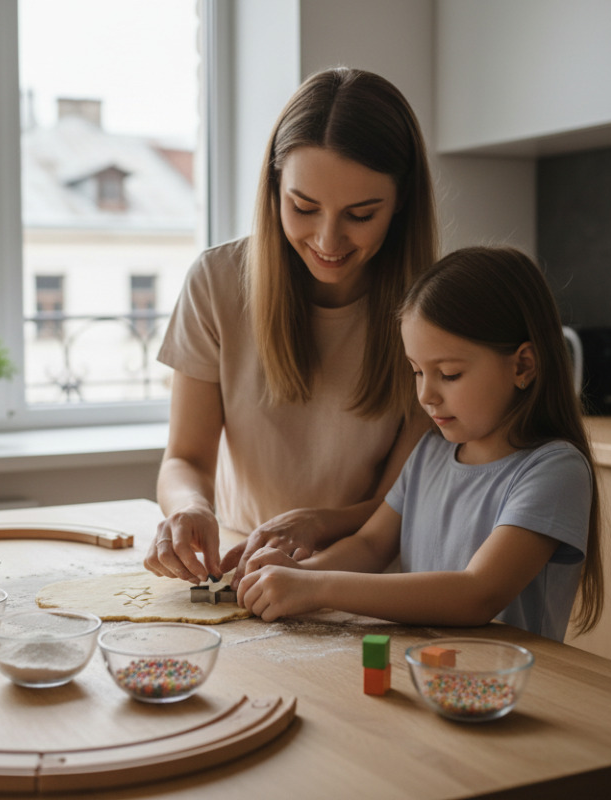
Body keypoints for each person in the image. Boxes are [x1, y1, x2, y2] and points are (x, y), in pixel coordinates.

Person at [145, 67, 438, 585]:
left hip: (367, 582)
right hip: (236, 569)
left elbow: (395, 505)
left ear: (402, 203)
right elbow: (185, 458)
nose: (329, 240)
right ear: (275, 188)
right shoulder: (216, 282)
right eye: (303, 207)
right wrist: (189, 508)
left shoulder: (432, 307)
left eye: (361, 215)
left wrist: (318, 530)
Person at [235, 246, 604, 641]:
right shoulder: (430, 452)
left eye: (448, 373)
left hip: (507, 690)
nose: (426, 395)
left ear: (522, 366)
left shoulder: (554, 470)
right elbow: (371, 544)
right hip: (424, 670)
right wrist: (299, 574)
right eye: (416, 371)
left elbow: (478, 593)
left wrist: (318, 588)